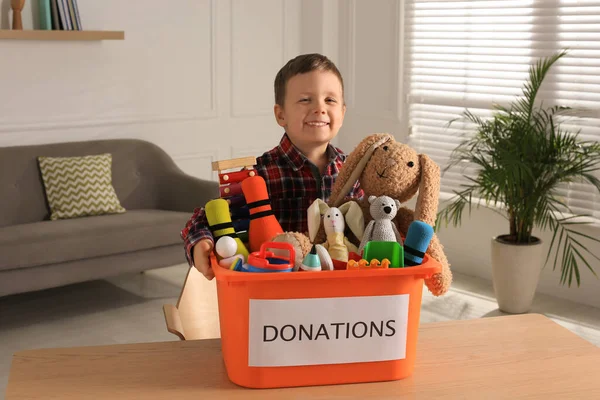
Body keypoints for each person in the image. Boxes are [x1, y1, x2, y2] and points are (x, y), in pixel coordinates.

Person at [180, 53, 363, 280]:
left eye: (330, 100)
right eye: (306, 100)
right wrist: (201, 242)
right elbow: (205, 218)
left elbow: (370, 219)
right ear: (281, 115)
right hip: (277, 290)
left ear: (342, 113)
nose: (319, 108)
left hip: (344, 287)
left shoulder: (353, 170)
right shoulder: (259, 173)